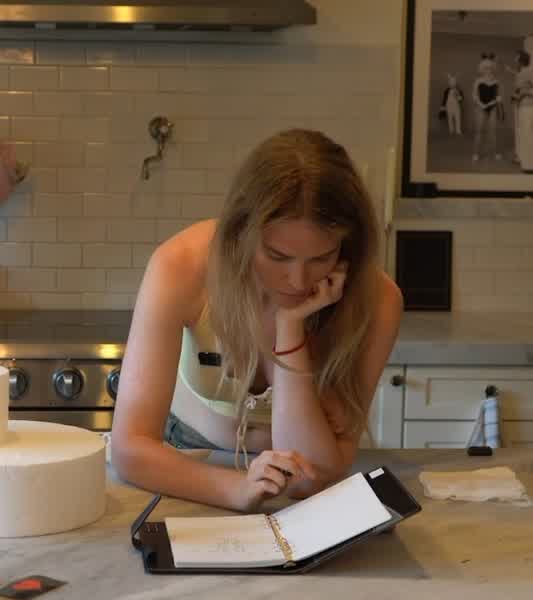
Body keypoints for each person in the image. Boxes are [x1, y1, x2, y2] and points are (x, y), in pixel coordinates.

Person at [111, 128, 403, 512]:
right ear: (240, 235)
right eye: (277, 256)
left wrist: (289, 327)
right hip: (183, 461)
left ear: (348, 248)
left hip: (294, 480)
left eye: (321, 258)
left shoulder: (377, 301)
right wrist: (236, 489)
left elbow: (316, 472)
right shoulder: (182, 265)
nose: (298, 281)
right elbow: (130, 447)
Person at [472, 53, 504, 162]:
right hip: (480, 107)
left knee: (493, 131)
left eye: (490, 68)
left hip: (492, 107)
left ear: (493, 68)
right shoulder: (478, 81)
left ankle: (495, 152)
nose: (488, 70)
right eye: (485, 68)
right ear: (481, 68)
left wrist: (497, 100)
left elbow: (498, 96)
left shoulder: (496, 81)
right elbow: (474, 95)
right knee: (479, 131)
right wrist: (481, 105)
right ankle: (476, 153)